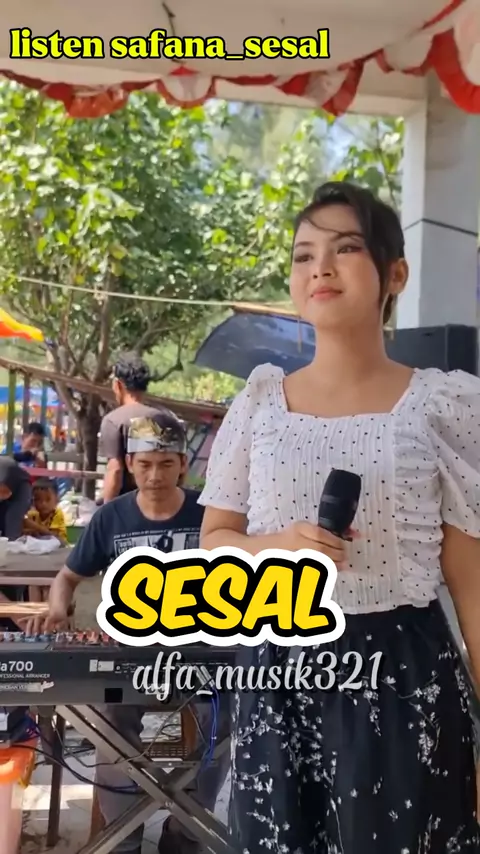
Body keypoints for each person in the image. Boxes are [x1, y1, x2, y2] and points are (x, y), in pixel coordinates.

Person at [198, 181, 480, 853]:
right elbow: (214, 542)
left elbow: (472, 586)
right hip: (278, 674)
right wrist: (274, 546)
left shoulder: (444, 405)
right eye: (304, 255)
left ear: (395, 274)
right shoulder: (260, 402)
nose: (319, 267)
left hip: (402, 678)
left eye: (345, 248)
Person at [31, 410, 230, 854]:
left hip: (199, 653)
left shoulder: (210, 514)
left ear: (183, 464)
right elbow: (67, 577)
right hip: (129, 655)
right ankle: (124, 838)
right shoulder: (111, 518)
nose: (154, 475)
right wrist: (57, 610)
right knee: (112, 731)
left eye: (165, 464)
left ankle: (184, 833)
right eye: (144, 464)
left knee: (217, 728)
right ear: (129, 464)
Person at [99, 352, 165, 502]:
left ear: (118, 385)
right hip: (158, 502)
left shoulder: (114, 421)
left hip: (127, 504)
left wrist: (106, 510)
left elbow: (115, 470)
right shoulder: (164, 419)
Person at [0, 456, 33, 628]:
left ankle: (19, 624)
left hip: (15, 487)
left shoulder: (8, 484)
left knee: (10, 538)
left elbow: (5, 491)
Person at [24, 478, 67, 545]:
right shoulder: (32, 515)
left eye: (48, 499)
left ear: (57, 500)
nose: (43, 504)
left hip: (59, 547)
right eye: (38, 499)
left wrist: (35, 527)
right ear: (33, 501)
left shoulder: (57, 513)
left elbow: (53, 536)